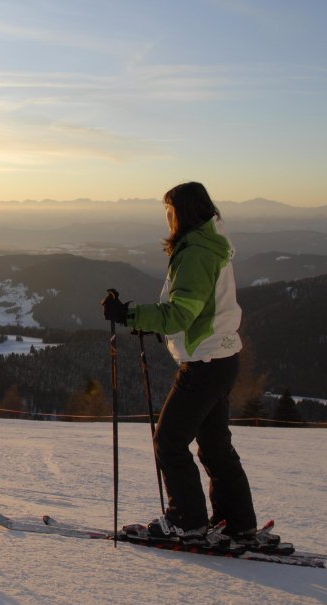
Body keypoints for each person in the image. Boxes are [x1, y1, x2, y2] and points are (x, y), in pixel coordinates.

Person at [101, 181, 279, 551]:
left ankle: (187, 521)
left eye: (170, 211)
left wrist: (130, 314)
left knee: (168, 440)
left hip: (205, 363)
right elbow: (197, 313)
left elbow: (181, 314)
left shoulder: (196, 252)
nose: (168, 218)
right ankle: (237, 523)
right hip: (222, 357)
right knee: (214, 445)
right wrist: (157, 326)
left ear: (184, 211)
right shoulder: (208, 243)